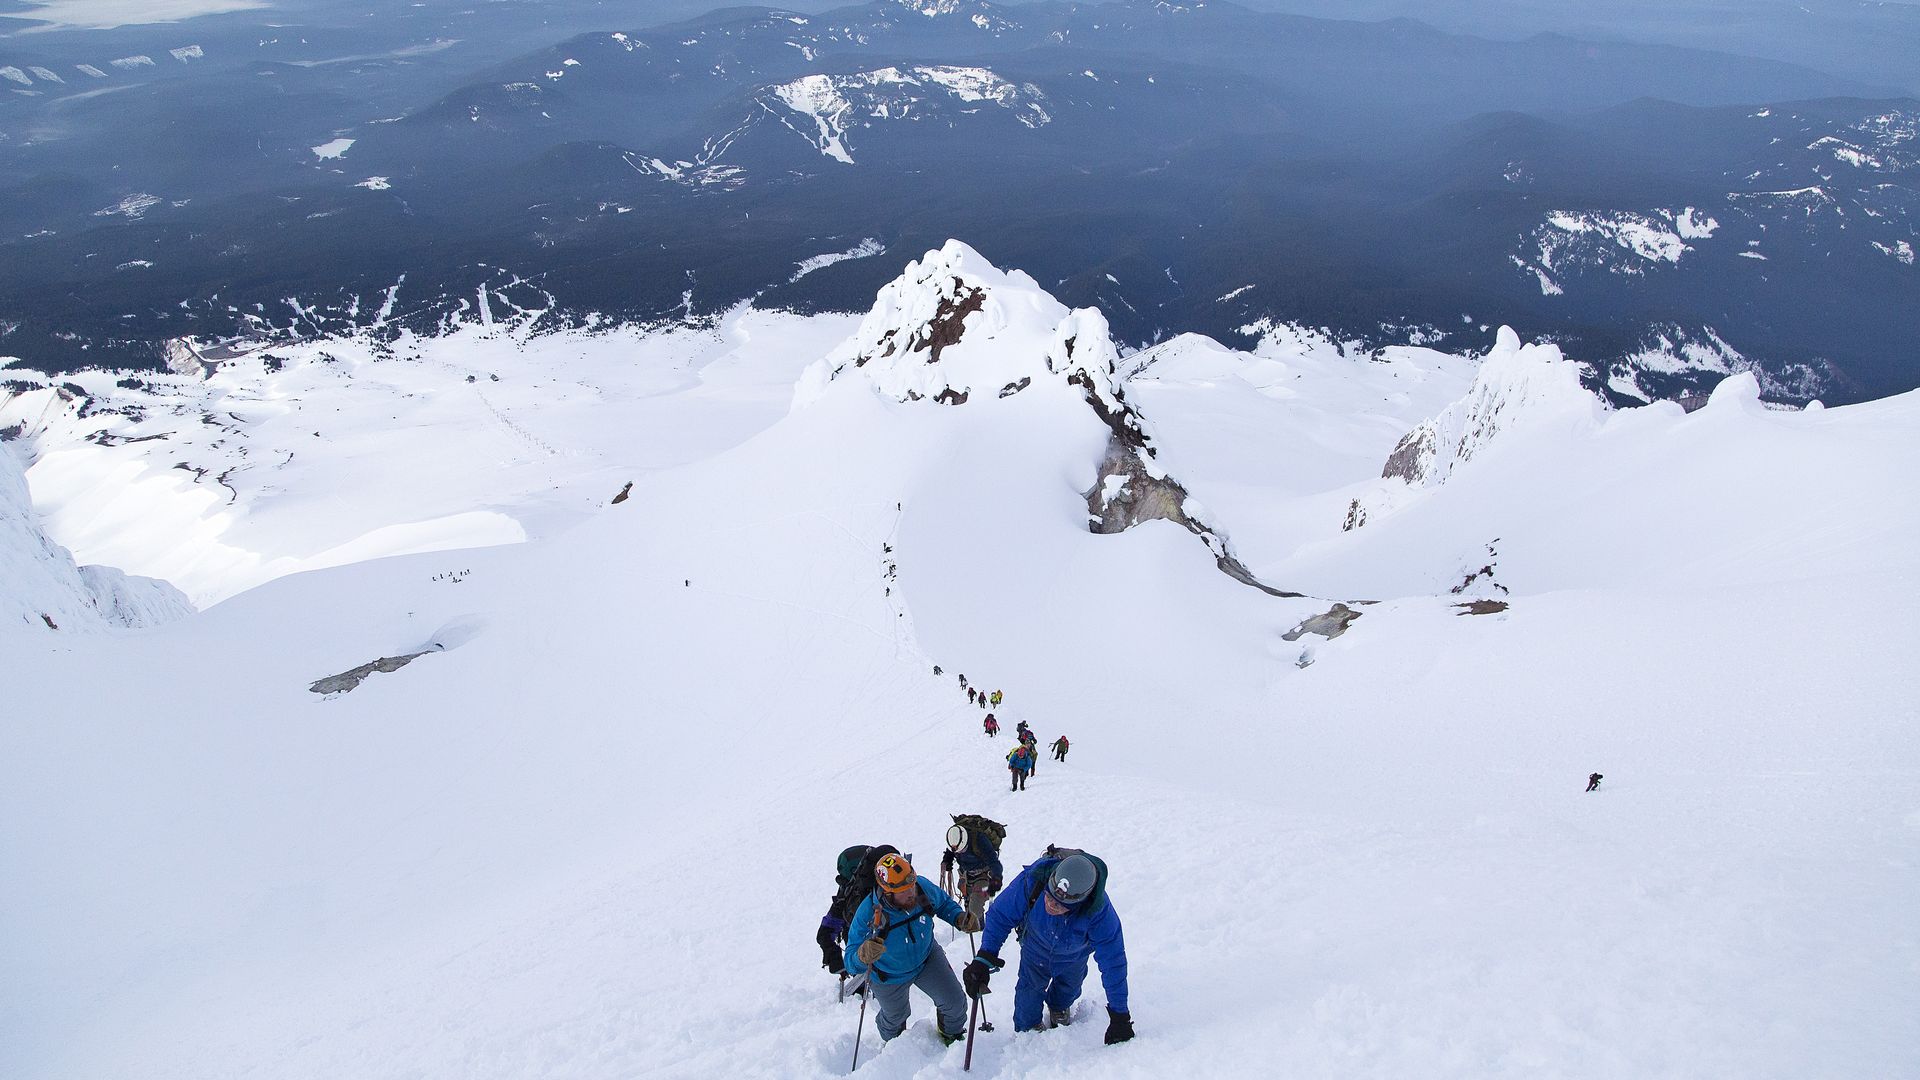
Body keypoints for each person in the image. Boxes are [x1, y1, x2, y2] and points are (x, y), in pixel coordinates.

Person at [963, 848, 1132, 1044]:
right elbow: (1000, 915)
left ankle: (1058, 1008)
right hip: (1034, 952)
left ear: (1078, 904)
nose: (1051, 905)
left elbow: (1114, 962)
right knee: (1027, 999)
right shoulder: (1033, 880)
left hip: (1074, 959)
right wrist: (985, 957)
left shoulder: (1099, 913)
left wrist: (1120, 1015)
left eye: (1060, 905)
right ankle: (1028, 1037)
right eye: (1049, 897)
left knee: (1067, 991)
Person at [845, 853, 980, 1046]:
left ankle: (951, 1038)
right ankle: (895, 1050)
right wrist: (862, 956)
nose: (911, 893)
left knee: (955, 1004)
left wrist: (958, 917)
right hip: (888, 975)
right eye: (903, 890)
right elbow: (850, 962)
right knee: (894, 1021)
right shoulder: (868, 912)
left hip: (927, 959)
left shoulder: (921, 888)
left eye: (911, 886)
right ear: (887, 891)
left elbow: (942, 903)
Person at [817, 843, 899, 975]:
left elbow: (826, 931)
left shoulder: (848, 893)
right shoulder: (857, 892)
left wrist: (834, 956)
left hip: (862, 959)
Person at [941, 817, 1006, 922]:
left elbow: (994, 862)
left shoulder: (980, 840)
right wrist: (947, 859)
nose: (959, 853)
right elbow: (951, 850)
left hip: (984, 877)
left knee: (975, 907)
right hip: (966, 876)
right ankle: (976, 925)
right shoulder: (954, 838)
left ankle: (977, 928)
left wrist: (997, 878)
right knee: (969, 905)